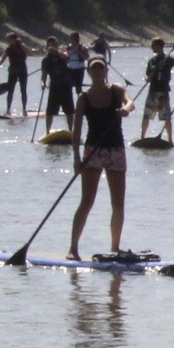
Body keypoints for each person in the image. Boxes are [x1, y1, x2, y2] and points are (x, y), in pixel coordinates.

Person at [68, 57, 135, 260]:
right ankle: (73, 248)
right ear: (89, 72)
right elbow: (76, 129)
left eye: (101, 67)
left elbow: (130, 102)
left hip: (116, 150)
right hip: (92, 152)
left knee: (118, 203)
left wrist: (125, 109)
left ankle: (115, 248)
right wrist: (76, 159)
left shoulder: (115, 89)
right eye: (94, 68)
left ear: (106, 70)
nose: (98, 71)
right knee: (86, 202)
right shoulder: (84, 98)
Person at [138, 37, 174, 142]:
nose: (152, 48)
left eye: (153, 46)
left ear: (159, 46)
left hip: (163, 91)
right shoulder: (152, 61)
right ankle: (142, 137)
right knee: (146, 115)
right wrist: (147, 78)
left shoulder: (168, 59)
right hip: (152, 91)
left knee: (166, 116)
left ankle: (170, 139)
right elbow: (147, 74)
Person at [40, 36, 75, 134]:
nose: (53, 46)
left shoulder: (62, 52)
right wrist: (42, 83)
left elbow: (66, 57)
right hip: (54, 86)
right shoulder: (46, 60)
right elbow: (44, 74)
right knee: (50, 112)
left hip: (66, 85)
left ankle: (70, 131)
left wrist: (55, 51)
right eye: (51, 45)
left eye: (55, 44)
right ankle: (47, 131)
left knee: (69, 111)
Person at [2, 32, 30, 115]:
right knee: (10, 90)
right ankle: (8, 110)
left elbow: (29, 51)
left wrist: (21, 45)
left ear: (13, 39)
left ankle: (24, 110)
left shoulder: (21, 46)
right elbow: (3, 57)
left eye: (9, 39)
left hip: (22, 71)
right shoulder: (8, 48)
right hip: (13, 71)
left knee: (23, 90)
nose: (8, 41)